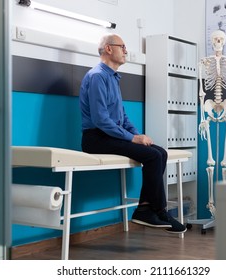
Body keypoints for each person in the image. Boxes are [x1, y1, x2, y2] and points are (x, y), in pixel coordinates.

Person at [79, 33, 186, 234]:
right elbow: (101, 120)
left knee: (160, 152)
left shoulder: (113, 77)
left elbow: (122, 116)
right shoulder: (97, 77)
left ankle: (150, 208)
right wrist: (132, 138)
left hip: (109, 136)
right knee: (153, 156)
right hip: (96, 139)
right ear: (109, 48)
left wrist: (138, 136)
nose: (126, 51)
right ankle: (154, 210)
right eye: (123, 46)